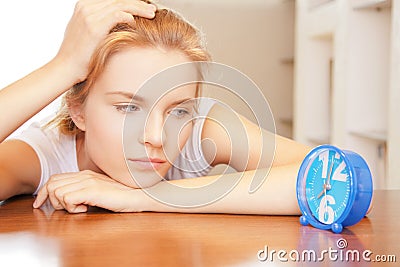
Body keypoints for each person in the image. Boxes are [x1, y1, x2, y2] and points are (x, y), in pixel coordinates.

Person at [0, 0, 310, 214]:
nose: (156, 137)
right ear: (78, 111)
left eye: (178, 111)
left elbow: (332, 181)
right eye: (128, 108)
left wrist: (141, 198)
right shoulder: (47, 152)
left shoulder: (203, 130)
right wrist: (64, 66)